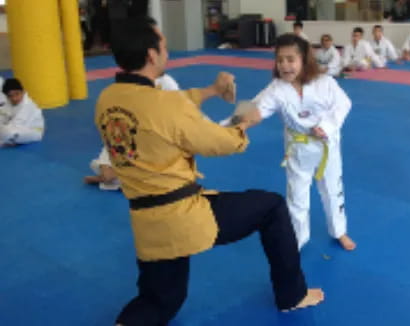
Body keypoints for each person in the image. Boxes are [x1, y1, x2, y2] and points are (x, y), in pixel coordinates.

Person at [97, 17, 323, 326]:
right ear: (151, 55)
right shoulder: (165, 107)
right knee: (272, 207)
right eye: (163, 45)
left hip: (146, 224)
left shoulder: (107, 99)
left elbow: (169, 103)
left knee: (160, 302)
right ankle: (292, 295)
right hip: (183, 215)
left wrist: (211, 90)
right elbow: (222, 142)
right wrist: (245, 121)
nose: (166, 51)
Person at [226, 33, 357, 251]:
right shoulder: (277, 88)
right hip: (298, 149)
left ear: (304, 60)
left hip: (327, 145)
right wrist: (224, 127)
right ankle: (297, 238)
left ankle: (339, 231)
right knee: (296, 195)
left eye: (290, 59)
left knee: (333, 189)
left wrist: (326, 126)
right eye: (280, 60)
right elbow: (255, 109)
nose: (285, 66)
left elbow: (343, 104)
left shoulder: (324, 83)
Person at [0, 78, 44, 147]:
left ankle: (7, 141)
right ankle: (8, 140)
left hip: (32, 131)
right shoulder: (8, 103)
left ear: (23, 92)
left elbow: (16, 125)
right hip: (12, 127)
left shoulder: (27, 105)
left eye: (17, 94)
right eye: (10, 96)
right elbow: (2, 116)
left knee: (8, 132)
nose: (14, 98)